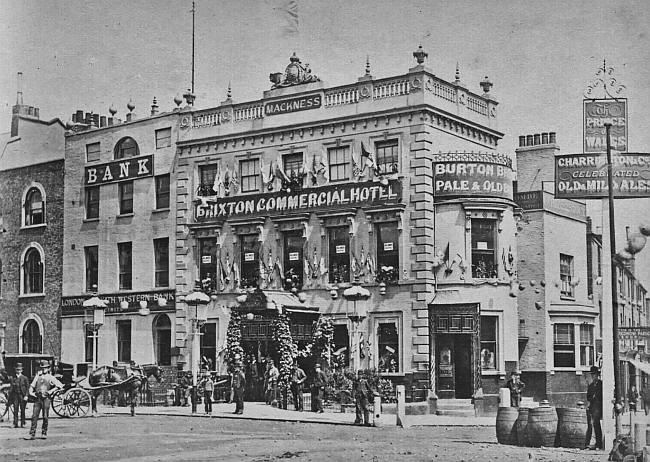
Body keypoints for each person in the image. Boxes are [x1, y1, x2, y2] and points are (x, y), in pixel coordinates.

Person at [25, 360, 63, 440]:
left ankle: (44, 432)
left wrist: (50, 391)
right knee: (34, 416)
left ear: (48, 368)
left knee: (45, 416)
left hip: (46, 398)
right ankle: (32, 434)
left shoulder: (51, 377)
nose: (43, 369)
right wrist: (32, 393)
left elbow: (60, 386)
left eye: (45, 368)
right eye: (42, 368)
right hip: (38, 398)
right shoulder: (37, 376)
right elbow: (31, 386)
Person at [585, 365, 603, 450]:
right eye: (592, 375)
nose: (593, 376)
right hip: (593, 407)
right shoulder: (591, 385)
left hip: (599, 407)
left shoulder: (601, 384)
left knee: (597, 424)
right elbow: (588, 397)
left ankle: (599, 443)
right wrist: (592, 397)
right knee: (592, 425)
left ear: (597, 375)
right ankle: (593, 443)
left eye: (594, 374)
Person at [9, 362, 29, 428]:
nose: (18, 371)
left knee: (22, 409)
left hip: (22, 395)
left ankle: (23, 422)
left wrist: (26, 395)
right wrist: (10, 396)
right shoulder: (13, 378)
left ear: (22, 370)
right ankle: (15, 423)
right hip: (15, 396)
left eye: (20, 370)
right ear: (15, 370)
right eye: (17, 370)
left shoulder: (25, 378)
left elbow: (27, 388)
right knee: (15, 409)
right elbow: (11, 388)